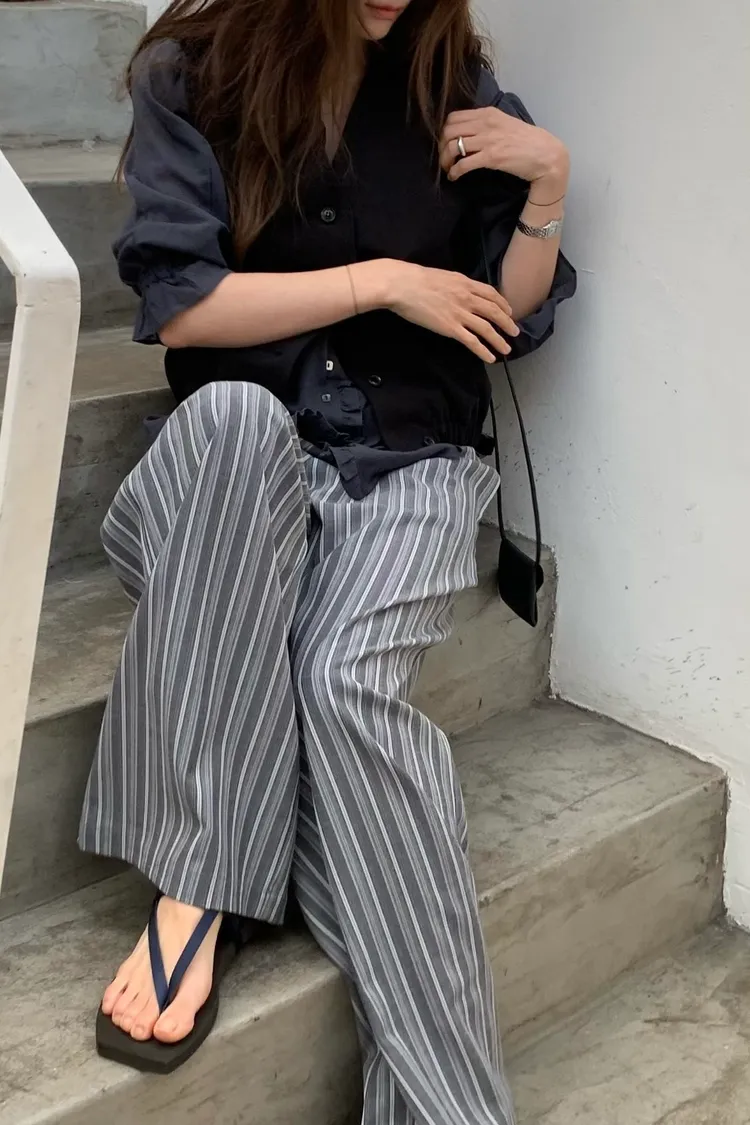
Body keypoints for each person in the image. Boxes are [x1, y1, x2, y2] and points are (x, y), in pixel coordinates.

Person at [78, 0, 576, 1116]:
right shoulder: (193, 72)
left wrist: (547, 188)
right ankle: (197, 882)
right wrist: (386, 280)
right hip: (234, 483)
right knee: (232, 418)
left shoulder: (452, 81)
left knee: (343, 685)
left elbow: (499, 313)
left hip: (411, 462)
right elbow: (184, 308)